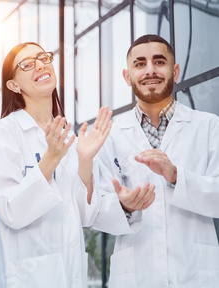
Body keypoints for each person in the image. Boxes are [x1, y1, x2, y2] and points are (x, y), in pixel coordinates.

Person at [92, 34, 219, 287]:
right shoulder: (109, 135)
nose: (150, 70)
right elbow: (94, 211)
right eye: (140, 64)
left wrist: (175, 176)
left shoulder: (209, 127)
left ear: (175, 71)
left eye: (159, 62)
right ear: (127, 77)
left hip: (194, 274)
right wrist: (125, 206)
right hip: (136, 275)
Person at [0, 41, 112, 288]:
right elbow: (10, 209)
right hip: (30, 277)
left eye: (43, 58)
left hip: (71, 274)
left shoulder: (67, 135)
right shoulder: (5, 131)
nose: (40, 65)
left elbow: (85, 216)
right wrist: (51, 158)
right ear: (13, 85)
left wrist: (85, 163)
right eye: (27, 64)